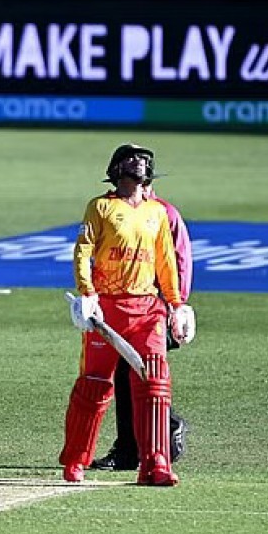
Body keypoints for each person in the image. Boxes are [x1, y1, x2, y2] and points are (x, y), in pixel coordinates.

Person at [61, 143, 195, 486]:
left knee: (154, 385)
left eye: (145, 159)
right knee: (94, 386)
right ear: (117, 168)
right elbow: (83, 252)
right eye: (133, 158)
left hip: (148, 309)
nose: (140, 163)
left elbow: (166, 261)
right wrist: (88, 294)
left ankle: (155, 463)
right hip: (107, 309)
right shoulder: (101, 207)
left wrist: (177, 305)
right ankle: (76, 459)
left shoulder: (157, 212)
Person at [91, 173, 193, 471]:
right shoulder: (122, 212)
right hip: (125, 309)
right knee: (133, 375)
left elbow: (179, 261)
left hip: (154, 312)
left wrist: (176, 307)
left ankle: (135, 448)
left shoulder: (164, 213)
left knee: (134, 375)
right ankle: (143, 444)